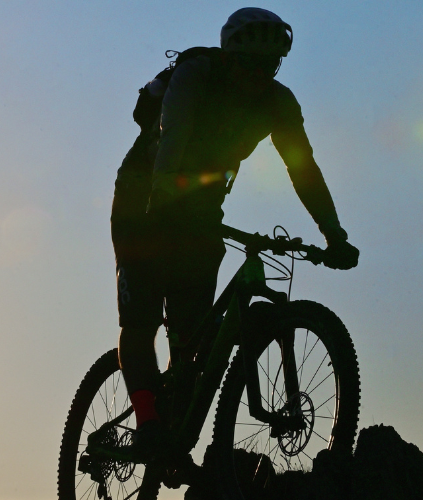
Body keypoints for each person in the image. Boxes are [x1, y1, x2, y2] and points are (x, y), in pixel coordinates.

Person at [110, 7, 360, 455]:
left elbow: (303, 169)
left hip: (201, 208)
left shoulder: (278, 102)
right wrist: (162, 202)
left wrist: (333, 233)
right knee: (142, 316)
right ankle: (147, 419)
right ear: (229, 57)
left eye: (270, 66)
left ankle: (178, 418)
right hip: (141, 197)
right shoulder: (195, 75)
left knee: (194, 331)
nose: (259, 77)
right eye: (251, 65)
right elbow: (173, 135)